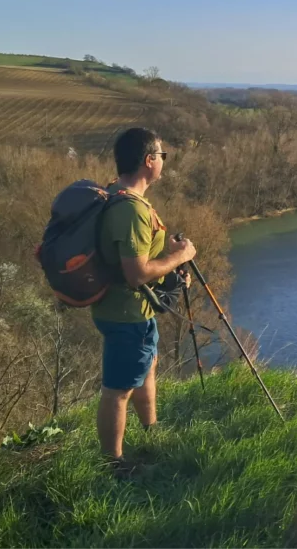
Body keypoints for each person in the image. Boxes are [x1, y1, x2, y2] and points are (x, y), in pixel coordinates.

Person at [91, 127, 196, 476]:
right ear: (149, 160)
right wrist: (180, 259)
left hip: (135, 310)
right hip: (125, 314)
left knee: (146, 368)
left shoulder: (118, 195)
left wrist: (168, 271)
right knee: (117, 390)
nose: (164, 161)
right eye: (162, 155)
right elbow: (136, 273)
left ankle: (151, 432)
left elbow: (137, 263)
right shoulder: (131, 209)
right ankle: (113, 465)